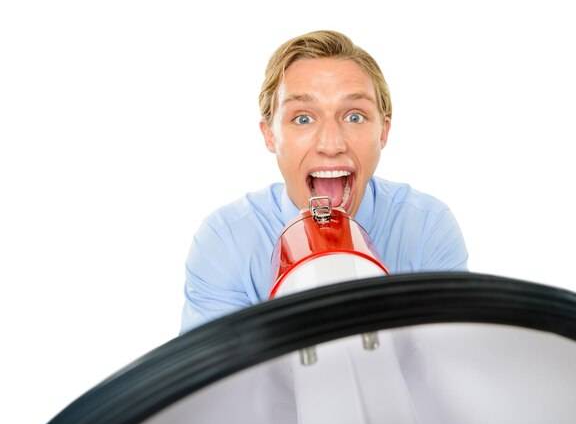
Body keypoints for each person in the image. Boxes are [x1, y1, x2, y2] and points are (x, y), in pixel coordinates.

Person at [180, 30, 468, 334]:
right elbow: (212, 363)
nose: (331, 145)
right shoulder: (226, 241)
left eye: (354, 116)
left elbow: (449, 355)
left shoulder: (426, 228)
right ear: (270, 135)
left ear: (383, 132)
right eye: (303, 118)